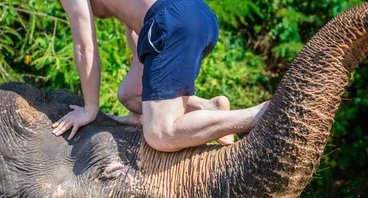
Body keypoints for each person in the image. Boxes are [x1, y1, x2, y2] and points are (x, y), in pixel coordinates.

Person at [52, 0, 267, 152]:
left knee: (160, 134)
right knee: (129, 94)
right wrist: (143, 83)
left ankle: (257, 114)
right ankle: (210, 108)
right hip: (197, 14)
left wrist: (90, 110)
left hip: (170, 21)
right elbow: (135, 30)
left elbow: (84, 47)